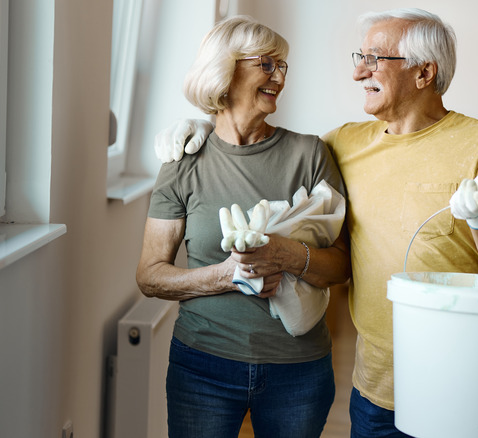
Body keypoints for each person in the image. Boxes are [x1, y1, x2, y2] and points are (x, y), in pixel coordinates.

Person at [155, 8, 478, 438]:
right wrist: (205, 126)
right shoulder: (344, 144)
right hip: (375, 388)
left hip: (463, 381)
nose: (359, 72)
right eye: (360, 57)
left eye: (375, 58)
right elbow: (261, 149)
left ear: (424, 72)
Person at [136, 16, 350, 438]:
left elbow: (341, 266)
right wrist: (229, 276)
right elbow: (149, 275)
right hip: (202, 367)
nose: (279, 77)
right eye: (266, 65)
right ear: (224, 70)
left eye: (283, 66)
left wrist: (282, 254)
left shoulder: (310, 154)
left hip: (299, 371)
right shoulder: (183, 163)